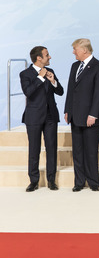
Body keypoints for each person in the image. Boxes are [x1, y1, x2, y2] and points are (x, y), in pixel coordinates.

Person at [64, 38, 99, 192]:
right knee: (78, 151)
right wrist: (67, 110)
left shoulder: (98, 66)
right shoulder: (75, 66)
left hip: (90, 117)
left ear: (84, 50)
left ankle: (93, 182)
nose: (74, 52)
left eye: (75, 49)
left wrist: (93, 114)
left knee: (90, 151)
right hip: (75, 116)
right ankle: (79, 182)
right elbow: (71, 90)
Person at [20, 46, 64, 191]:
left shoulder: (51, 72)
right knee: (34, 149)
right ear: (39, 58)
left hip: (50, 116)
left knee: (52, 148)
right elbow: (28, 92)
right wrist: (40, 77)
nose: (49, 57)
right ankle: (34, 181)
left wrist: (53, 81)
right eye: (47, 55)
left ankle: (51, 180)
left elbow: (60, 91)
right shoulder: (25, 74)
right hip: (34, 117)